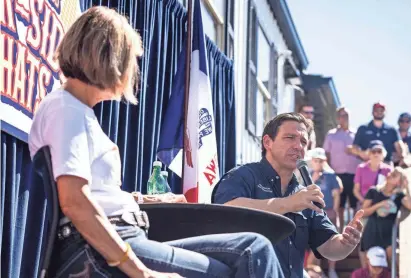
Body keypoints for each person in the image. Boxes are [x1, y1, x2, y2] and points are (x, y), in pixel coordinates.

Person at [28, 7, 284, 278]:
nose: (133, 71)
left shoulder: (75, 110)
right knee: (245, 256)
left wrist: (142, 198)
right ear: (109, 57)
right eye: (130, 60)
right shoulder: (66, 109)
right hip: (99, 248)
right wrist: (142, 273)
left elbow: (93, 192)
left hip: (120, 237)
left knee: (252, 249)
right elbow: (75, 201)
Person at [212, 113, 364, 278]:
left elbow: (329, 248)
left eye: (303, 142)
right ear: (267, 142)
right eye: (290, 137)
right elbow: (226, 211)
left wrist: (346, 243)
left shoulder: (304, 195)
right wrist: (288, 203)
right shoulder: (243, 176)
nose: (298, 146)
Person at [360, 167, 411, 265]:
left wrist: (407, 187)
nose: (390, 174)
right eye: (391, 172)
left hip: (388, 232)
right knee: (368, 263)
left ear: (399, 181)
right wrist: (379, 205)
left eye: (395, 175)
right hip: (372, 229)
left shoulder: (399, 196)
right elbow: (363, 212)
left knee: (392, 264)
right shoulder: (374, 191)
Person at [305, 148, 342, 278]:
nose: (318, 163)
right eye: (316, 160)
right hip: (312, 214)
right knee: (317, 244)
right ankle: (317, 271)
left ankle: (332, 270)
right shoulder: (306, 174)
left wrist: (335, 212)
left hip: (329, 212)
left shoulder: (330, 175)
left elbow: (336, 194)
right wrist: (313, 178)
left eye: (321, 161)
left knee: (332, 241)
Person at [323, 107, 360, 228]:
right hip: (336, 174)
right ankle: (339, 231)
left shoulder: (357, 134)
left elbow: (362, 152)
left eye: (347, 115)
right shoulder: (331, 135)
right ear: (337, 118)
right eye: (342, 116)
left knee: (354, 205)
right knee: (339, 206)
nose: (344, 118)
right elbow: (326, 154)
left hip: (354, 174)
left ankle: (354, 231)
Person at [353, 141, 392, 207]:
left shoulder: (388, 170)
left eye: (379, 151)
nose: (376, 154)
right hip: (364, 204)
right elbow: (356, 190)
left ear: (383, 154)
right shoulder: (361, 168)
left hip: (383, 205)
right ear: (369, 154)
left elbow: (391, 189)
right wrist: (365, 202)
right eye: (373, 151)